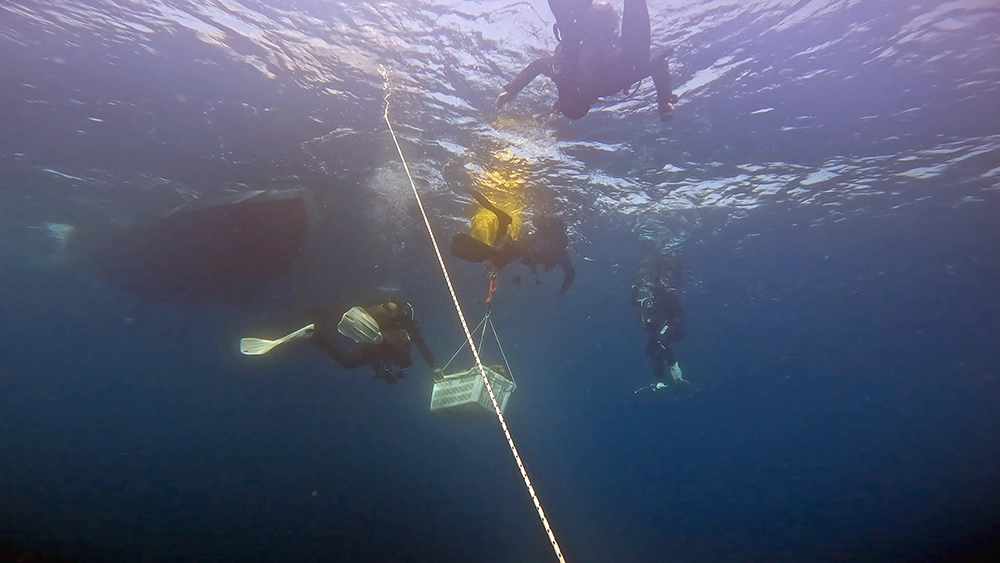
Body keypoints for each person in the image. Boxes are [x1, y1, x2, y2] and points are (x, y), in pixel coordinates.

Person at [496, 0, 678, 121]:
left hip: (584, 26)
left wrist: (512, 90)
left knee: (571, 38)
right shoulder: (609, 84)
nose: (580, 85)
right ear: (590, 98)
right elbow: (658, 65)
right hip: (602, 27)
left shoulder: (566, 76)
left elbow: (537, 66)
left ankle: (575, 24)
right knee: (636, 61)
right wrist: (663, 99)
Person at [240, 298, 443, 384]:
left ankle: (314, 335)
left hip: (368, 329)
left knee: (349, 362)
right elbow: (421, 346)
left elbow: (375, 354)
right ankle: (315, 336)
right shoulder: (408, 326)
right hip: (375, 337)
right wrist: (435, 368)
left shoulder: (391, 330)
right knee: (406, 361)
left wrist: (381, 372)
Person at [450, 189, 575, 294]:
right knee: (498, 253)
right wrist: (563, 289)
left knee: (501, 251)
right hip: (525, 248)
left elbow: (570, 273)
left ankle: (503, 223)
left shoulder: (550, 248)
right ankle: (503, 223)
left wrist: (497, 264)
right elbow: (570, 273)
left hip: (524, 247)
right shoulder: (560, 252)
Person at [632, 250, 692, 392]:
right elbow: (634, 303)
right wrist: (635, 290)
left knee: (661, 341)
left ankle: (677, 378)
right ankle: (660, 381)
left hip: (670, 324)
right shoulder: (649, 298)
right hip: (658, 327)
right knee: (655, 350)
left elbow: (675, 312)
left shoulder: (665, 294)